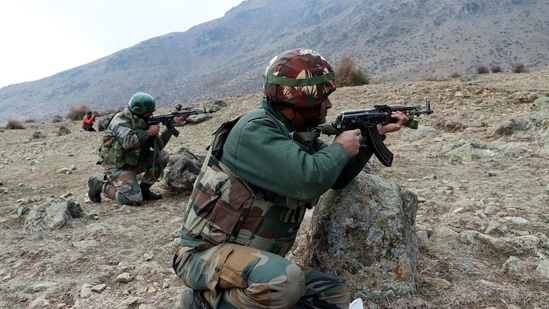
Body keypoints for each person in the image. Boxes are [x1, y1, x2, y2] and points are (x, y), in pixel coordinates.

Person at [172, 48, 409, 309]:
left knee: (333, 295)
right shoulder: (255, 131)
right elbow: (308, 181)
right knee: (285, 282)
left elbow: (335, 176)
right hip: (204, 256)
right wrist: (340, 148)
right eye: (323, 98)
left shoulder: (293, 131)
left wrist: (370, 137)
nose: (329, 105)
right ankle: (200, 303)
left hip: (253, 258)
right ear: (302, 102)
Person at [87, 92, 184, 206]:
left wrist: (169, 128)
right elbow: (128, 143)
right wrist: (148, 132)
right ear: (140, 110)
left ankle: (145, 189)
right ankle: (99, 185)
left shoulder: (143, 120)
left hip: (134, 162)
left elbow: (159, 146)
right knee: (134, 199)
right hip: (117, 167)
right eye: (150, 111)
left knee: (162, 156)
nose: (152, 113)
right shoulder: (120, 120)